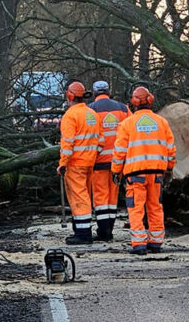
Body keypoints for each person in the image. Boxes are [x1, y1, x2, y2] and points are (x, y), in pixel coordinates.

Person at [111, 86, 176, 255]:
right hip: (156, 173)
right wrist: (169, 167)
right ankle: (156, 242)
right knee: (155, 207)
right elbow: (171, 148)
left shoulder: (127, 124)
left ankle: (139, 244)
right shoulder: (161, 122)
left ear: (133, 102)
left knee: (136, 209)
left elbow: (119, 151)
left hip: (135, 175)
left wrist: (115, 171)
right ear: (150, 100)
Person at [59, 80, 103, 245]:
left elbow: (68, 144)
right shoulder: (92, 114)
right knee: (85, 195)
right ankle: (81, 229)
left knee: (79, 198)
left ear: (69, 96)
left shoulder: (70, 116)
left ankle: (83, 233)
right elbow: (101, 141)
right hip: (89, 163)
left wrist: (63, 163)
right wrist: (92, 155)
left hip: (75, 163)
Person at [87, 80, 130, 241]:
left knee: (100, 196)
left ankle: (104, 231)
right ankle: (109, 229)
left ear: (94, 93)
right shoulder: (123, 109)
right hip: (118, 161)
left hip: (98, 161)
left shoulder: (90, 110)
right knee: (113, 196)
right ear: (108, 90)